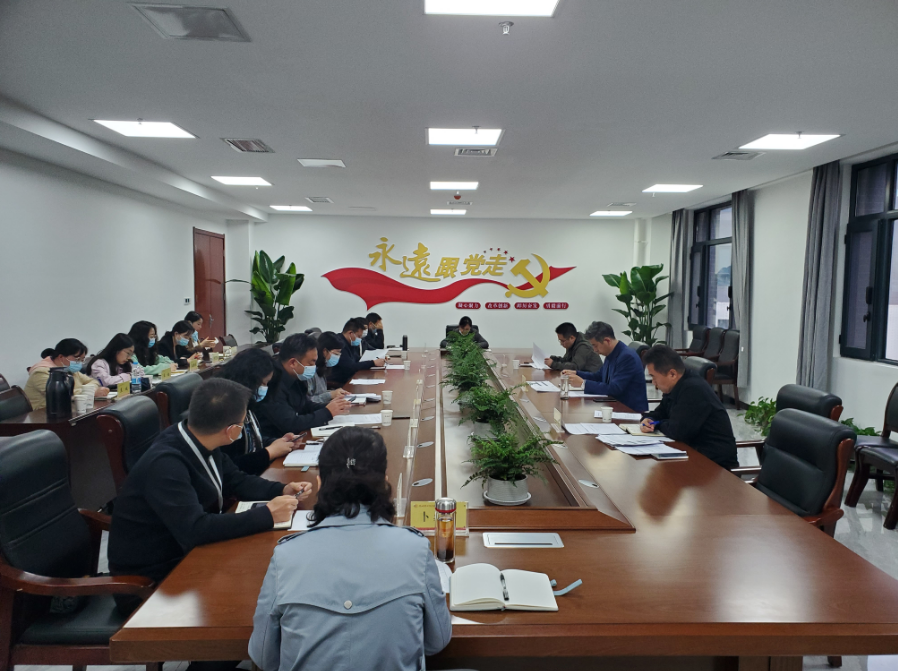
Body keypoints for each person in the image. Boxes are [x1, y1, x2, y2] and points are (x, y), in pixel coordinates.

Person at [249, 427, 451, 671]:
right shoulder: (415, 549)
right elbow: (436, 641)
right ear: (385, 482)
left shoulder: (286, 556)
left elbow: (265, 657)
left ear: (320, 483)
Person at [108, 378, 313, 614]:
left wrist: (280, 490)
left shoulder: (197, 438)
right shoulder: (165, 464)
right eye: (243, 423)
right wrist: (267, 515)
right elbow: (196, 529)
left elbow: (236, 479)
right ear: (232, 431)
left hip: (189, 555)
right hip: (153, 583)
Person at [640, 345, 738, 470]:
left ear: (672, 374)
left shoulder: (693, 390)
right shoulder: (676, 386)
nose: (653, 382)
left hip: (715, 466)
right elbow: (661, 412)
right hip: (692, 454)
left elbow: (676, 431)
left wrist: (657, 424)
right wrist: (649, 419)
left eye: (653, 376)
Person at [216, 348, 304, 475]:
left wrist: (277, 442)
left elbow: (250, 440)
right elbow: (231, 466)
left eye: (267, 384)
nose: (265, 388)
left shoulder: (247, 404)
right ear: (248, 379)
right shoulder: (225, 410)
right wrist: (269, 452)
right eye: (263, 383)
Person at [255, 333, 351, 443]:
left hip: (292, 439)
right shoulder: (273, 383)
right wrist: (327, 413)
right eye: (311, 363)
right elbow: (291, 424)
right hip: (276, 442)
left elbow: (305, 405)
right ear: (293, 363)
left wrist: (332, 407)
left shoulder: (295, 376)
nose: (314, 367)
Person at [561, 321, 648, 412]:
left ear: (607, 341)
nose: (594, 350)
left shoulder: (627, 357)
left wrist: (583, 383)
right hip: (613, 405)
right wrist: (576, 373)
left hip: (629, 411)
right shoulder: (612, 353)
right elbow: (599, 376)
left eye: (595, 345)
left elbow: (615, 389)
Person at [24, 339, 107, 410]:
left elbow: (92, 381)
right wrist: (91, 392)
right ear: (61, 357)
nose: (79, 363)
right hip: (44, 416)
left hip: (70, 410)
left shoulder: (70, 369)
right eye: (77, 359)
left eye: (82, 359)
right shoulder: (41, 373)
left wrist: (89, 390)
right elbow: (62, 396)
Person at [329, 319, 385, 386]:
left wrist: (375, 360)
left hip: (349, 378)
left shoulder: (351, 343)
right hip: (339, 381)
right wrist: (373, 363)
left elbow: (358, 360)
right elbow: (351, 367)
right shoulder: (339, 344)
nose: (360, 340)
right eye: (359, 336)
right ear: (350, 333)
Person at [309, 331, 349, 405]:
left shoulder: (322, 367)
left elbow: (321, 393)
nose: (338, 357)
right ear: (324, 351)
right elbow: (307, 402)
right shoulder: (309, 371)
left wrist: (335, 393)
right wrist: (330, 395)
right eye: (336, 353)